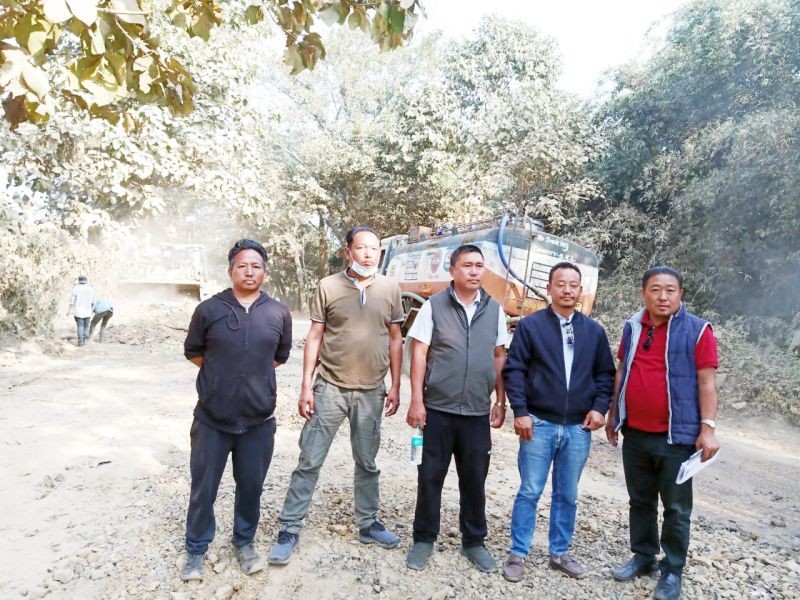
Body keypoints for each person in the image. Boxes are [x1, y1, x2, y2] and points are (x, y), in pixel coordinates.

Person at [268, 225, 404, 565]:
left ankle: (368, 523)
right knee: (310, 459)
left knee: (367, 462)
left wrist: (397, 385)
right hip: (329, 387)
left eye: (374, 249)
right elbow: (314, 337)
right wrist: (304, 386)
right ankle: (289, 528)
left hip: (372, 390)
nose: (369, 254)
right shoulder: (328, 286)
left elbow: (395, 338)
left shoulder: (390, 288)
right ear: (348, 252)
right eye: (361, 248)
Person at [179, 239, 292, 582]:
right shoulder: (209, 310)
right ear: (230, 271)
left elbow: (278, 357)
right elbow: (195, 353)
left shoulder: (278, 313)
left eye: (256, 266)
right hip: (212, 420)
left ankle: (244, 543)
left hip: (258, 422)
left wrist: (251, 381)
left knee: (251, 487)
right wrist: (220, 380)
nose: (249, 271)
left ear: (265, 272)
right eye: (242, 265)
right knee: (204, 489)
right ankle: (196, 551)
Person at [606, 266, 720, 600]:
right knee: (640, 500)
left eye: (670, 290)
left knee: (676, 507)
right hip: (636, 433)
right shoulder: (632, 326)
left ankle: (672, 570)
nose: (663, 296)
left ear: (680, 294)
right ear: (644, 292)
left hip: (678, 437)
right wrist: (615, 413)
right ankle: (643, 556)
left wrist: (708, 429)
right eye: (655, 289)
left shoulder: (698, 331)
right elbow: (623, 371)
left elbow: (706, 382)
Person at [500, 262, 615, 582]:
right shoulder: (531, 326)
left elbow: (605, 374)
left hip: (578, 428)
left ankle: (559, 552)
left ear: (580, 291)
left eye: (573, 285)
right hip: (538, 423)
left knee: (567, 493)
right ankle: (518, 553)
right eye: (560, 284)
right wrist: (519, 410)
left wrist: (599, 407)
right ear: (549, 289)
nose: (567, 290)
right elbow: (514, 370)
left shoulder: (593, 331)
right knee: (530, 490)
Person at [405, 244, 508, 573]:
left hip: (477, 412)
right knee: (430, 476)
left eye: (479, 265)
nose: (475, 271)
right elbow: (419, 353)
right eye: (467, 265)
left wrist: (500, 400)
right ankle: (423, 539)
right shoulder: (434, 306)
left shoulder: (495, 309)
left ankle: (474, 542)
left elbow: (499, 356)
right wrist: (417, 400)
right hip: (438, 408)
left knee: (475, 480)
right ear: (453, 270)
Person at [67, 275, 95, 346]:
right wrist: (91, 310)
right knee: (86, 326)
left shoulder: (75, 288)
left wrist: (69, 310)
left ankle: (80, 342)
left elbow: (72, 301)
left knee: (80, 326)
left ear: (78, 280)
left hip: (78, 312)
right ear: (86, 281)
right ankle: (85, 341)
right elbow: (93, 302)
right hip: (88, 312)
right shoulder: (90, 289)